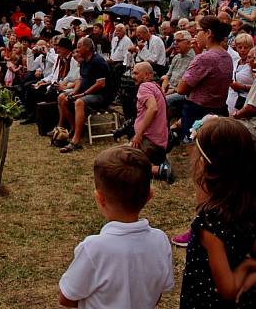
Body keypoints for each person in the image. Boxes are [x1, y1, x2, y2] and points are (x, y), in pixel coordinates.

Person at [58, 146, 173, 308]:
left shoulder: (93, 248)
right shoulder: (160, 240)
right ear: (149, 196)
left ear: (100, 198)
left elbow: (66, 297)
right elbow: (159, 292)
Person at [179, 117, 256, 307]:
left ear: (204, 165)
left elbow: (228, 289)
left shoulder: (210, 222)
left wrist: (247, 266)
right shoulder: (248, 205)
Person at [177, 16, 233, 140]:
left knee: (196, 149)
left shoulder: (205, 58)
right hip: (219, 109)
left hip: (198, 112)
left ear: (208, 33)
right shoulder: (226, 56)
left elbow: (181, 89)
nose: (196, 35)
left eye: (198, 31)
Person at [59, 38, 113, 153]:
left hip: (101, 96)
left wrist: (82, 94)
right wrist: (74, 92)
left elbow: (100, 84)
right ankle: (75, 128)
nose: (77, 49)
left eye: (79, 46)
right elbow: (80, 79)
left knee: (79, 102)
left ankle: (76, 141)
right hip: (86, 92)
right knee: (62, 98)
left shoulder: (98, 61)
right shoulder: (84, 61)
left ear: (87, 48)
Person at [129, 62, 172, 182]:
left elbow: (153, 108)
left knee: (119, 163)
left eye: (136, 73)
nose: (133, 76)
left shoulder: (145, 87)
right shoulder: (155, 86)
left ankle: (159, 170)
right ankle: (160, 163)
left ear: (147, 75)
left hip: (149, 142)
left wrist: (139, 134)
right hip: (158, 142)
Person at [161, 30, 195, 118]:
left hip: (183, 92)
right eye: (174, 41)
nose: (175, 43)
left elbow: (188, 85)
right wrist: (163, 89)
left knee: (164, 101)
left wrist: (169, 92)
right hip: (170, 89)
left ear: (188, 43)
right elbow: (167, 76)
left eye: (178, 41)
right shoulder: (176, 57)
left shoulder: (194, 59)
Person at [226, 32, 254, 114]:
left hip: (246, 104)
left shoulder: (253, 64)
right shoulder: (235, 61)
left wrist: (243, 87)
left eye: (246, 47)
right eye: (240, 47)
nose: (242, 50)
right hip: (231, 101)